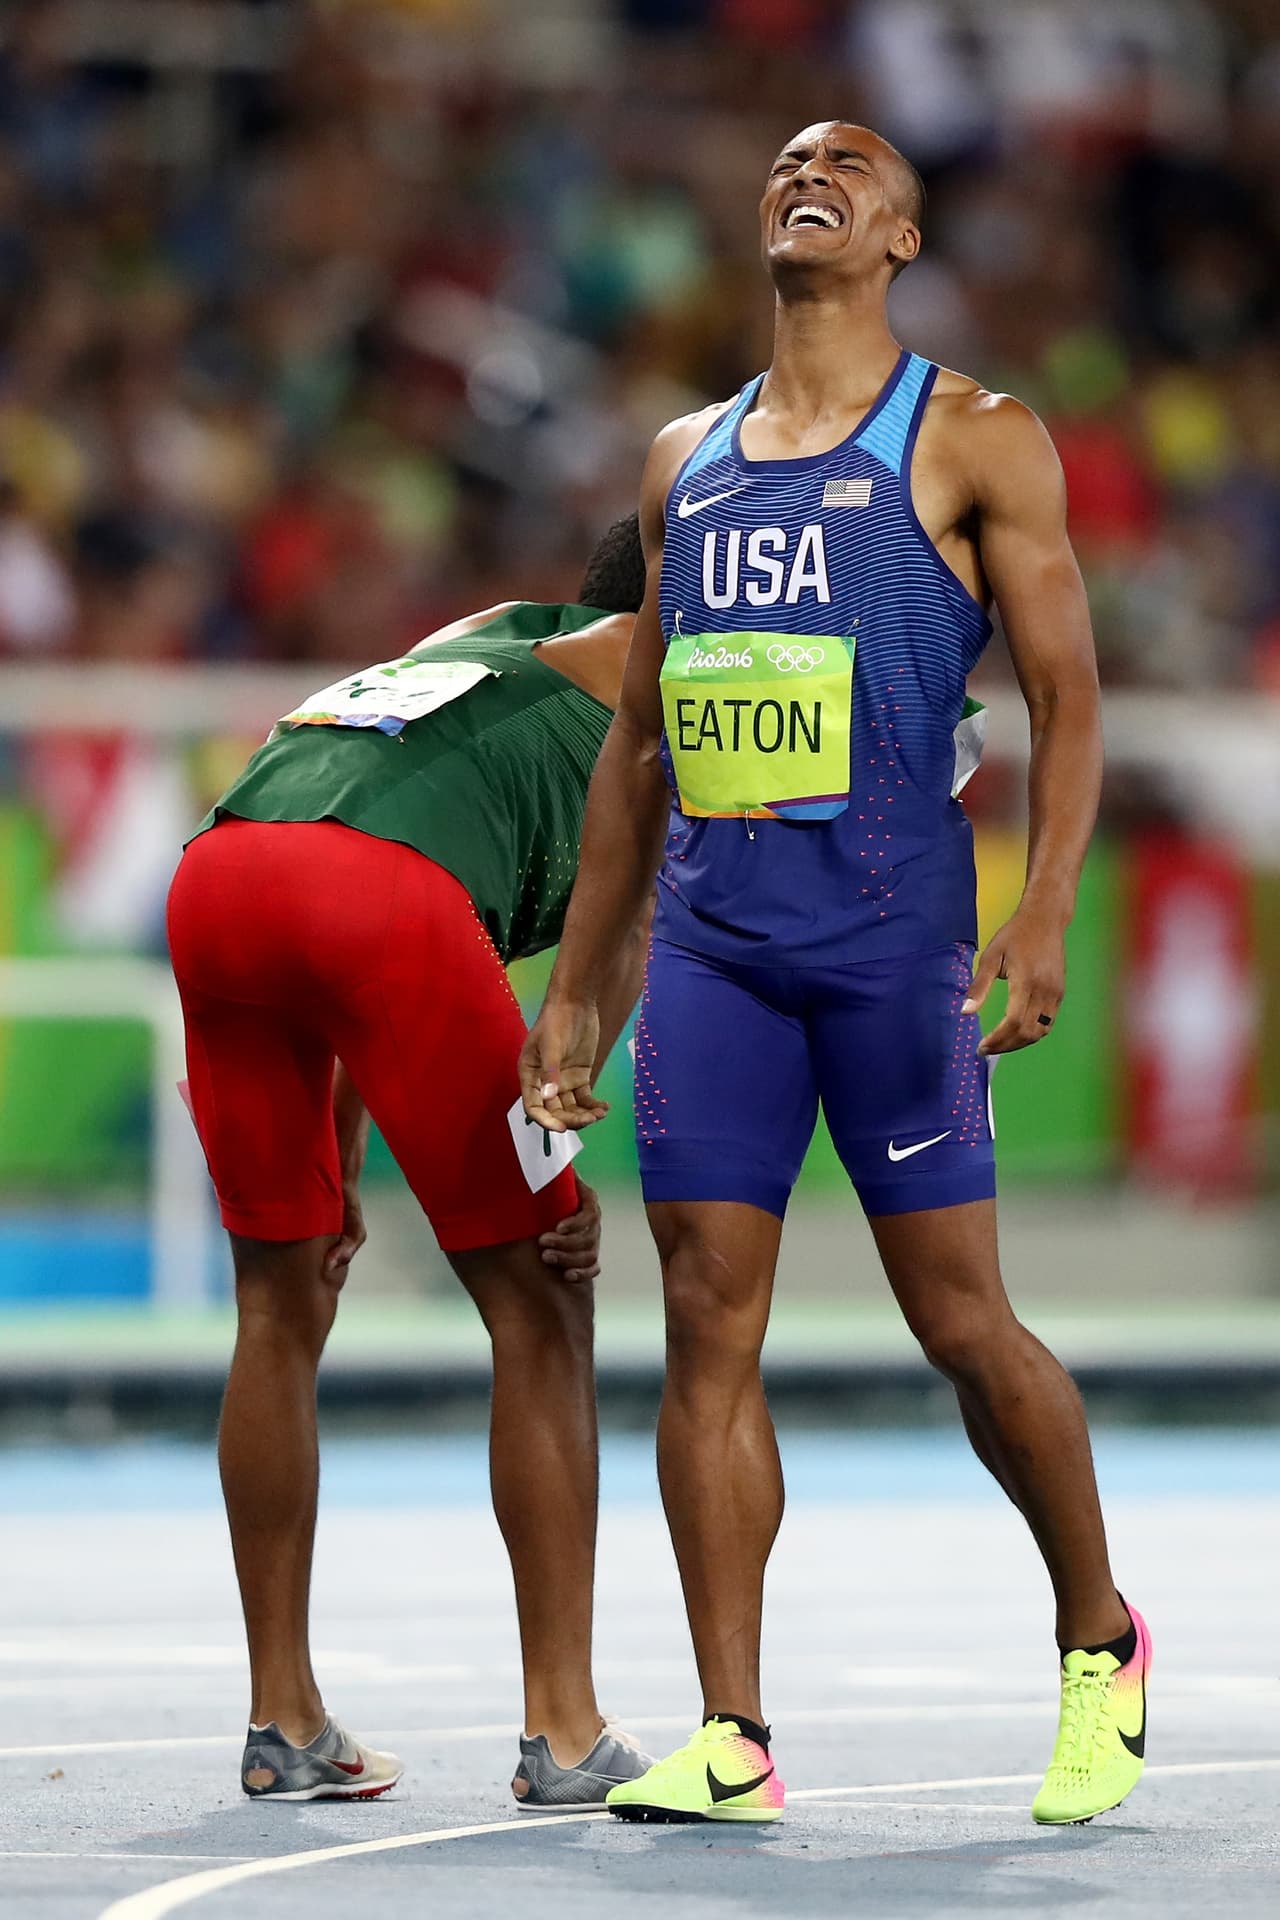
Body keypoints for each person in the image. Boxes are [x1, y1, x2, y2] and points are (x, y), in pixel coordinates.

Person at [521, 123, 1150, 1829]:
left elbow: (1070, 695)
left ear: (901, 238)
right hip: (719, 956)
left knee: (960, 1324)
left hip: (893, 956)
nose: (815, 174)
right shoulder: (685, 459)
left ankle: (1101, 1639)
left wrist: (1047, 913)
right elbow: (640, 741)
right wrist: (586, 981)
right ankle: (732, 1732)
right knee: (706, 1326)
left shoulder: (974, 438)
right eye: (792, 161)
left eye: (854, 166)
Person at [167, 516, 655, 1808]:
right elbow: (612, 945)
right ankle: (563, 1730)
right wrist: (555, 1134)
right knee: (544, 1297)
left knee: (280, 1302)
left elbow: (363, 856)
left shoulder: (483, 636)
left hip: (224, 869)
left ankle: (284, 1720)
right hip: (381, 898)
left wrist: (335, 1155)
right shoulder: (668, 672)